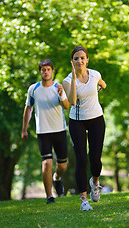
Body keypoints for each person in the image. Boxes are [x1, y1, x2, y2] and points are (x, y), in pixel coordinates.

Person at [62, 46, 106, 211]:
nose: (79, 61)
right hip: (77, 121)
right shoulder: (67, 81)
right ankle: (83, 200)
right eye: (76, 59)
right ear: (72, 62)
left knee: (95, 158)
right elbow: (72, 101)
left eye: (82, 58)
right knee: (81, 159)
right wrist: (74, 79)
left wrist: (100, 88)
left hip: (96, 120)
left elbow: (103, 84)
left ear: (87, 60)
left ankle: (95, 183)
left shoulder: (95, 74)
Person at [21, 59, 69, 204]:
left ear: (52, 71)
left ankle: (57, 178)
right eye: (43, 69)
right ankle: (49, 196)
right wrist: (24, 129)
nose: (46, 72)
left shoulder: (58, 87)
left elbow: (66, 106)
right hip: (43, 132)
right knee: (46, 163)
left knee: (62, 166)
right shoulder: (33, 89)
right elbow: (28, 109)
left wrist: (61, 94)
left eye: (48, 69)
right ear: (40, 71)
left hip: (59, 130)